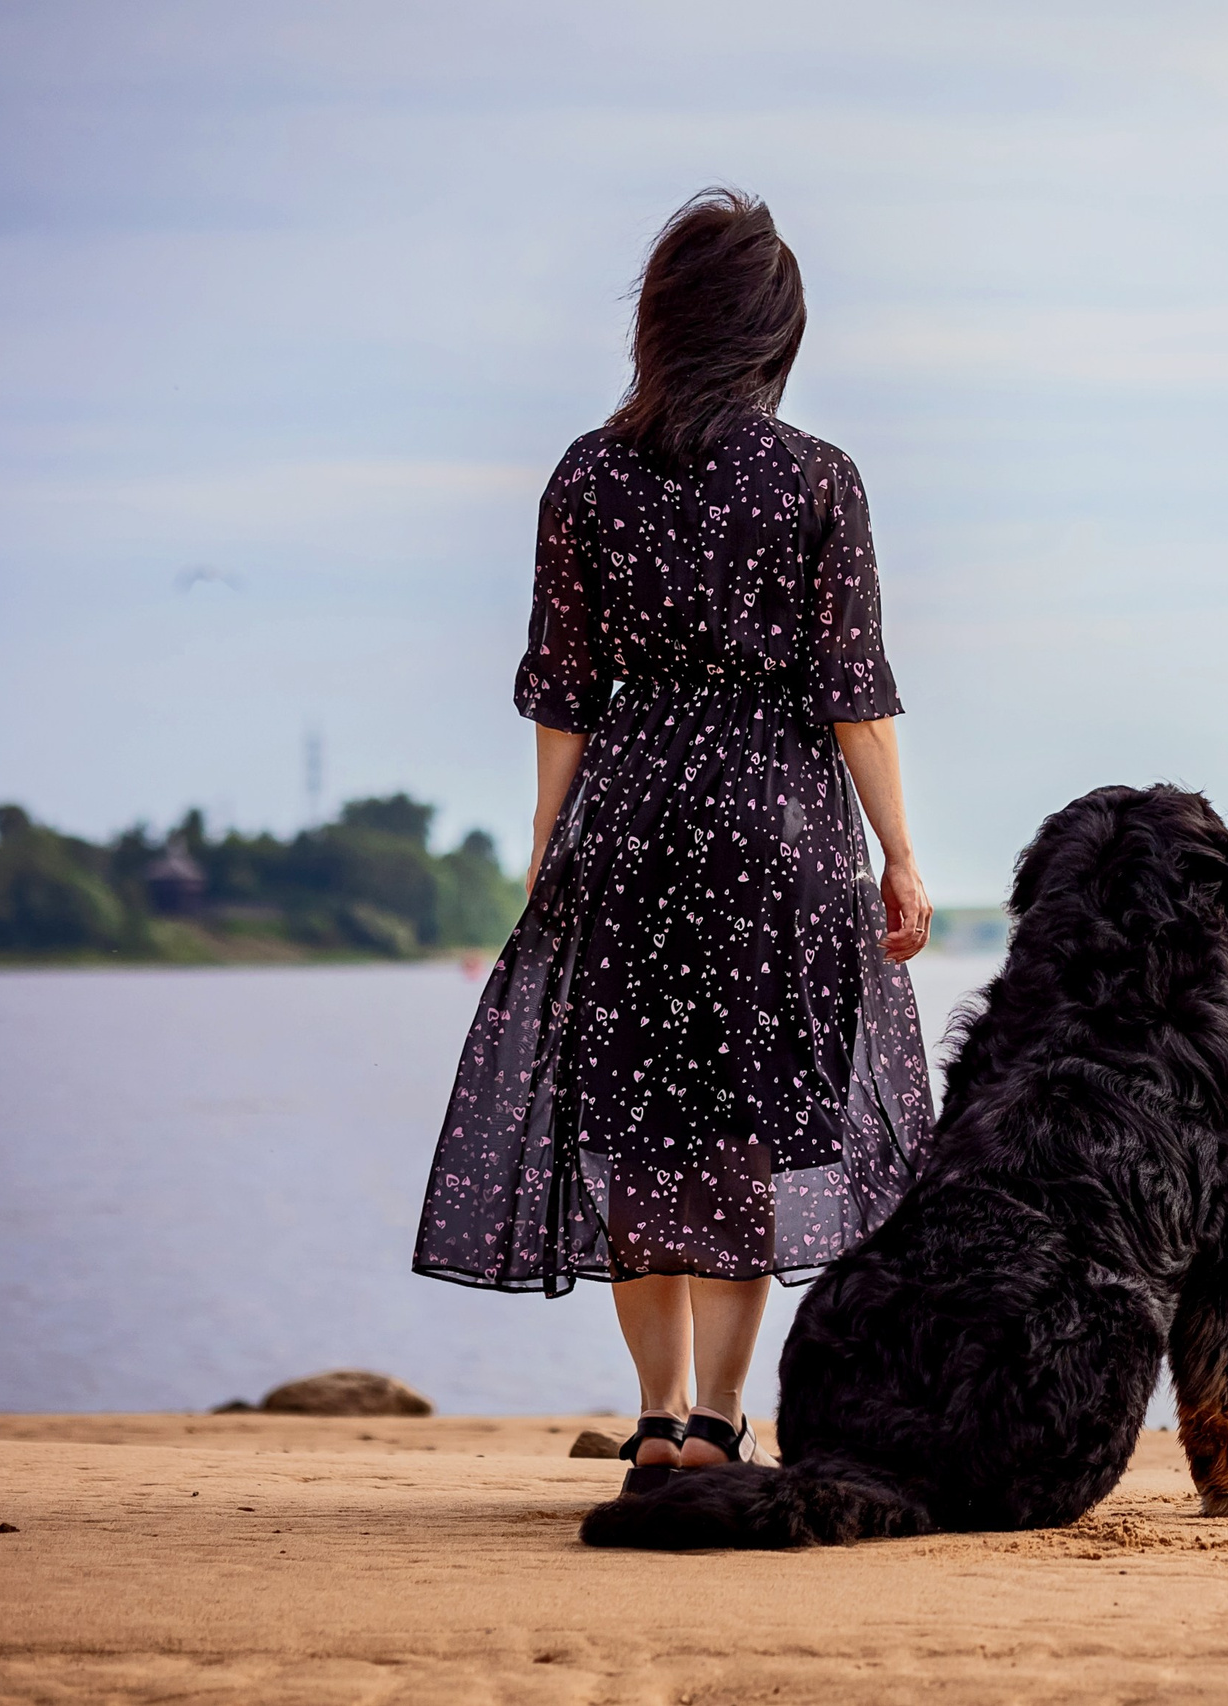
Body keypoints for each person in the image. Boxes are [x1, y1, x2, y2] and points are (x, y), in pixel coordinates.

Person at [413, 189, 935, 1483]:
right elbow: (853, 695)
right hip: (779, 834)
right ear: (772, 333)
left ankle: (653, 1415)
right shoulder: (821, 479)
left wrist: (546, 850)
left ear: (659, 322)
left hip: (632, 828)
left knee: (638, 1127)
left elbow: (565, 695)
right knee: (747, 1129)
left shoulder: (586, 476)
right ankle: (720, 1420)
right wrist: (904, 853)